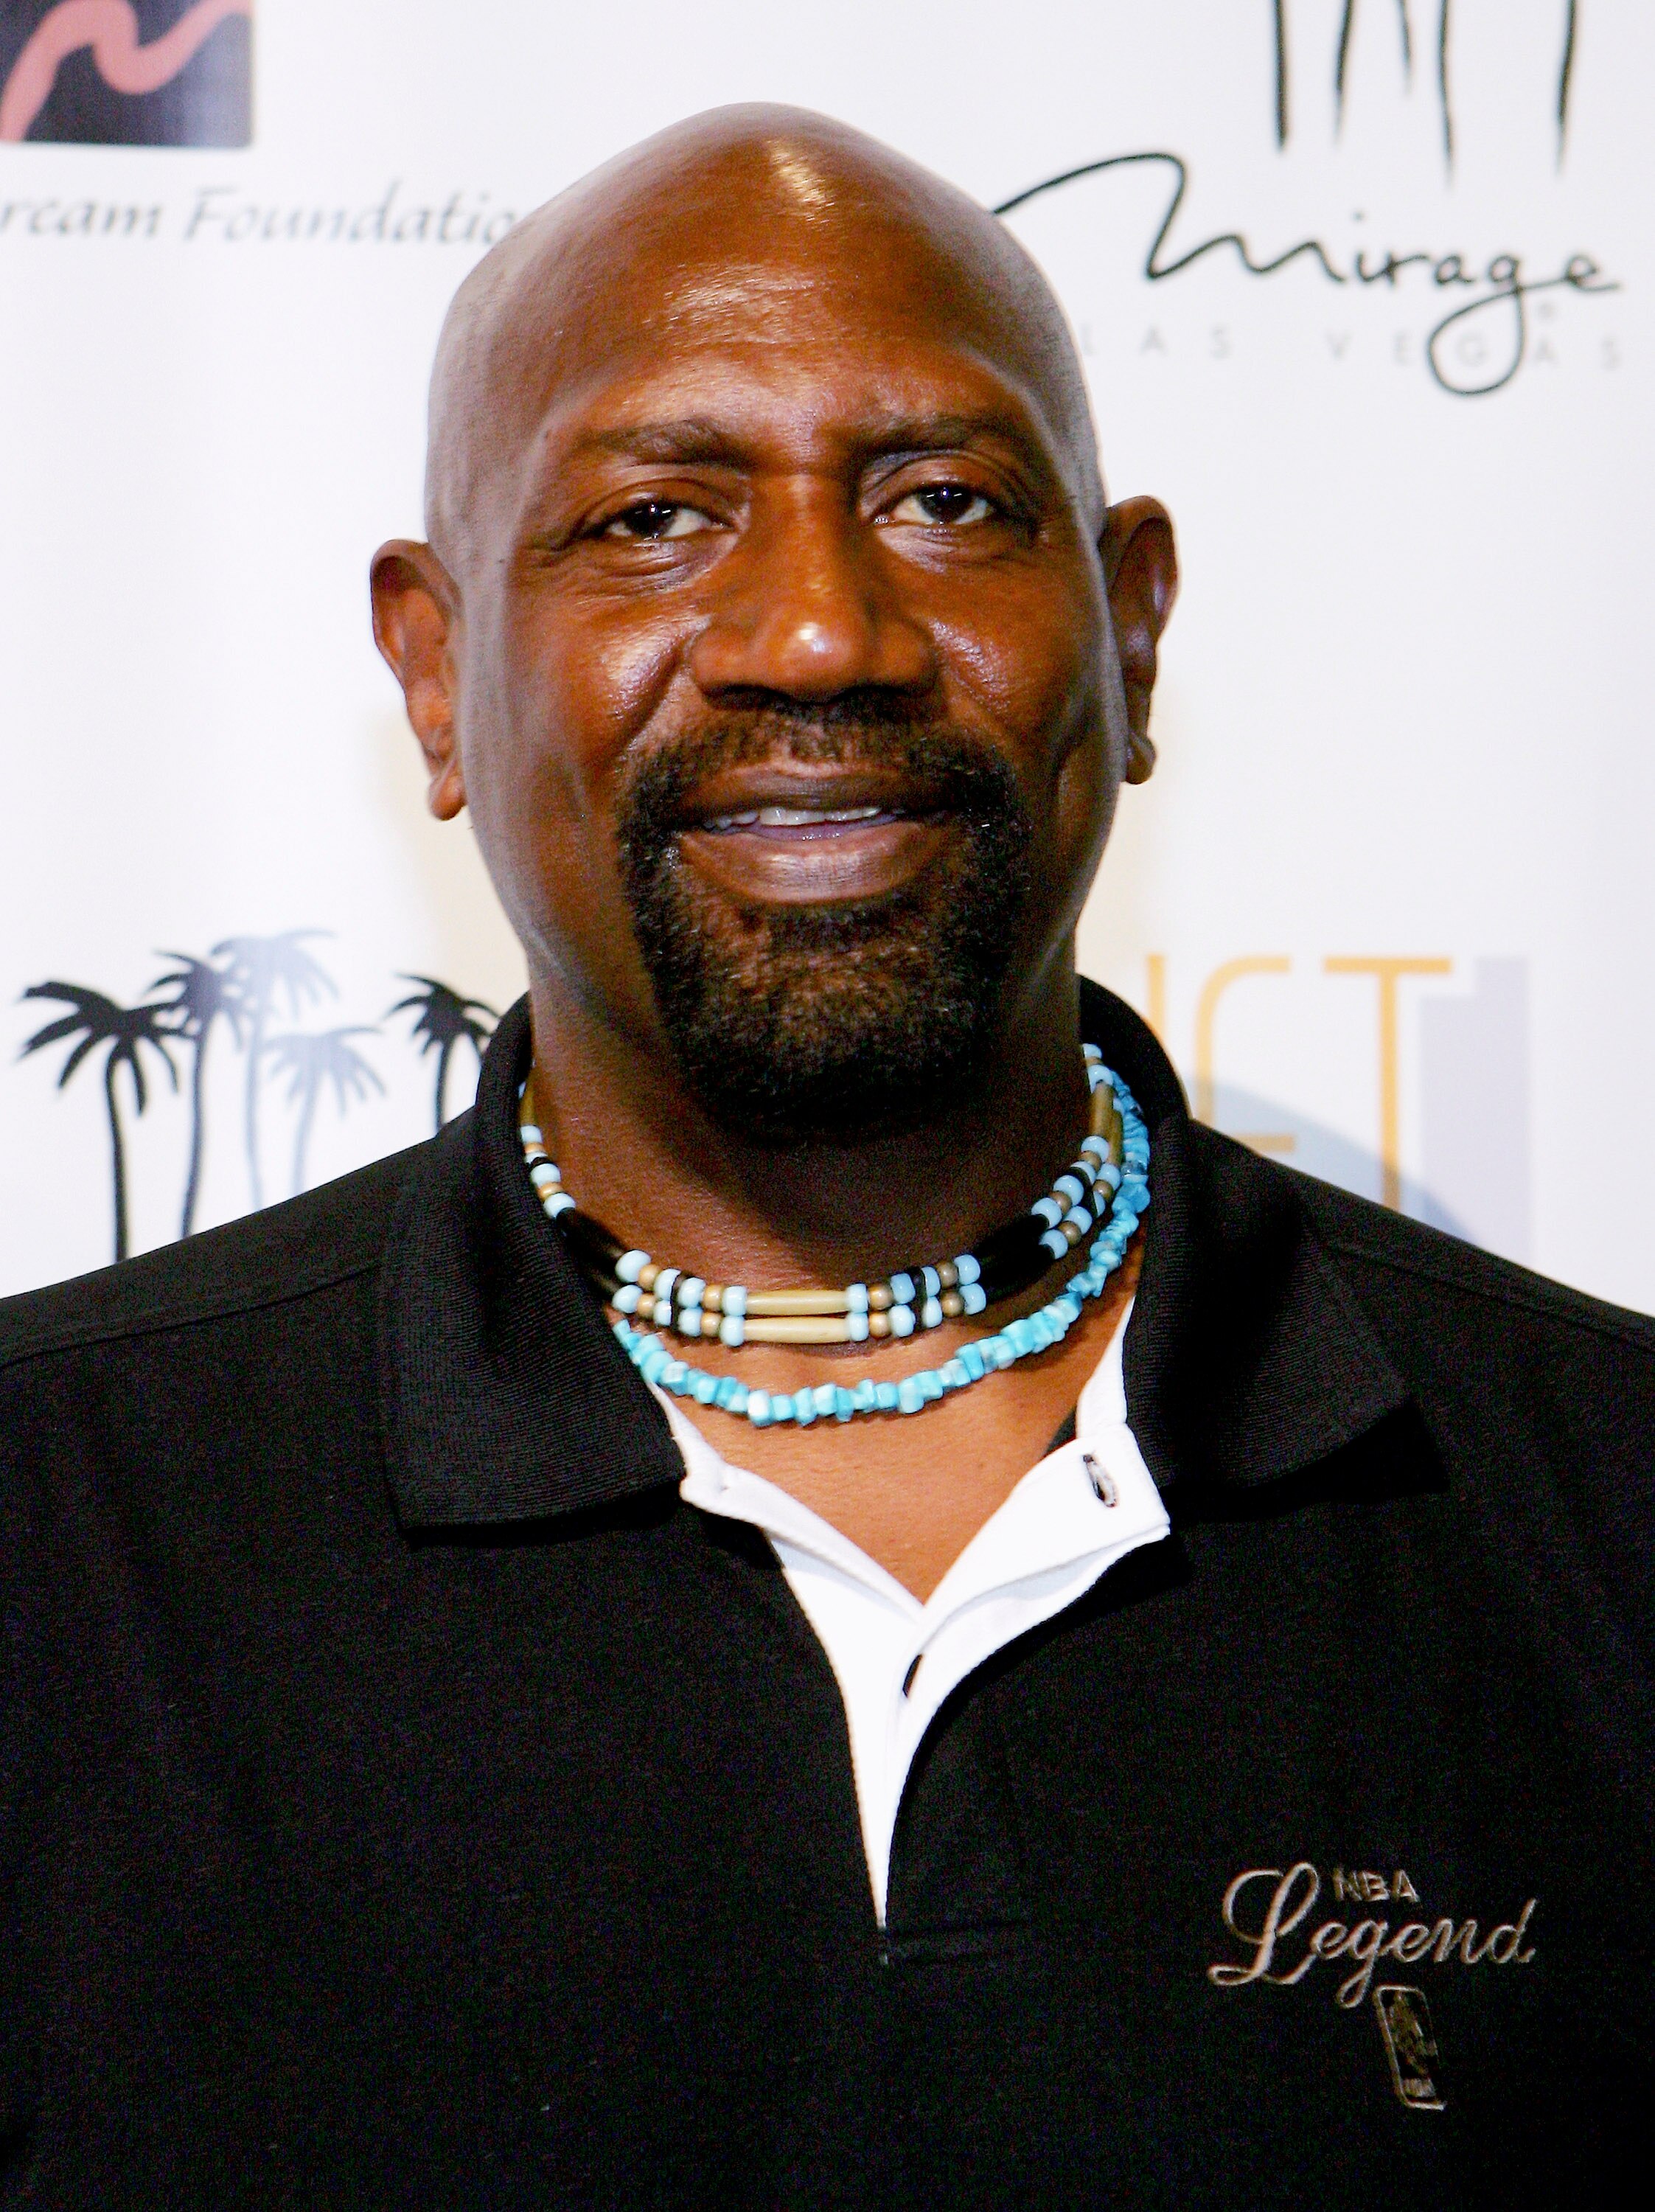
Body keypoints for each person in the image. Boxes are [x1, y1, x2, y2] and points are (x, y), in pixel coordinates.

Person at [1, 104, 1650, 2210]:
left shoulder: (1607, 1494)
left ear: (1133, 625)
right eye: (654, 517)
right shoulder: (57, 1534)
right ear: (435, 670)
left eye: (947, 502)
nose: (818, 633)